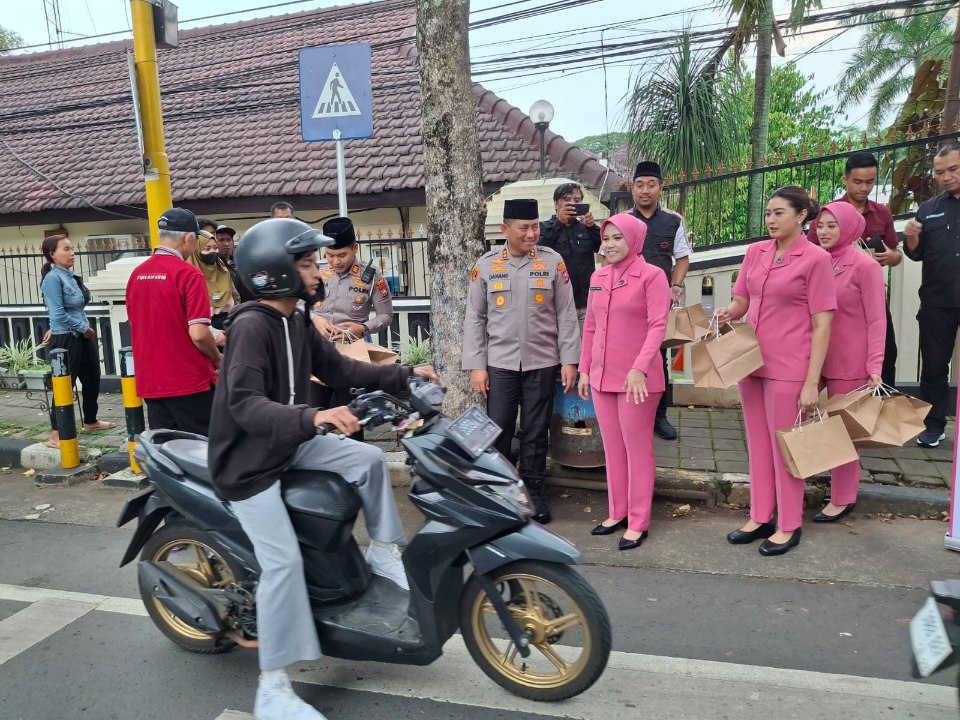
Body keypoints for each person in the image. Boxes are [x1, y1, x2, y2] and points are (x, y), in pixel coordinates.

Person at [207, 217, 438, 720]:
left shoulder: (295, 321)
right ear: (274, 272)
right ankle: (272, 688)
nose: (318, 272)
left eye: (316, 263)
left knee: (368, 459)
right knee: (283, 564)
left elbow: (340, 370)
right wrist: (314, 415)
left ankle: (381, 551)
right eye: (308, 264)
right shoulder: (250, 327)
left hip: (289, 443)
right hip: (249, 467)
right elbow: (244, 405)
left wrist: (404, 374)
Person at [715, 186, 836, 556]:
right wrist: (728, 313)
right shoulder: (755, 252)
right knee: (757, 444)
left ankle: (788, 524)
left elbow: (823, 324)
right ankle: (760, 515)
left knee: (786, 447)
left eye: (778, 213)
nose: (770, 220)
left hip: (790, 367)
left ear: (801, 216)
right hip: (751, 361)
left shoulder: (814, 259)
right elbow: (742, 299)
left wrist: (812, 381)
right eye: (768, 213)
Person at [462, 198, 581, 524]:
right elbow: (475, 318)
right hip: (499, 364)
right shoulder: (485, 265)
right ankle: (500, 490)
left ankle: (533, 491)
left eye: (535, 227)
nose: (532, 233)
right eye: (524, 228)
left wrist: (570, 360)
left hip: (542, 362)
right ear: (505, 230)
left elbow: (565, 314)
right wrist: (477, 365)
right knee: (497, 429)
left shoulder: (552, 262)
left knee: (535, 430)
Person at [578, 213, 671, 550]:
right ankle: (616, 511)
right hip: (602, 377)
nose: (610, 244)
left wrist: (640, 367)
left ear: (633, 240)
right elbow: (590, 326)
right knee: (612, 449)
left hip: (638, 381)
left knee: (637, 450)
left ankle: (638, 520)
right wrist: (585, 369)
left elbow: (658, 325)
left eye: (618, 238)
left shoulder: (652, 275)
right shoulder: (598, 276)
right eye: (606, 238)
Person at [814, 201, 886, 522]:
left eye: (832, 225)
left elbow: (876, 320)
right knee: (797, 417)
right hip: (814, 357)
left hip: (850, 361)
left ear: (850, 227)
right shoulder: (816, 261)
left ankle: (843, 496)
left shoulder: (865, 266)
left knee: (844, 431)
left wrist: (874, 366)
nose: (824, 232)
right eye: (820, 225)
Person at [807, 152, 900, 386]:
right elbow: (807, 253)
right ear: (845, 180)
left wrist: (892, 257)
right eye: (858, 181)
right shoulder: (828, 212)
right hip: (832, 310)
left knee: (883, 361)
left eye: (870, 182)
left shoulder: (881, 213)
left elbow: (896, 253)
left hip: (865, 298)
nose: (864, 188)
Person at [126, 208, 222, 435]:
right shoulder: (189, 275)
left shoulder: (136, 275)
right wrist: (217, 358)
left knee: (166, 452)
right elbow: (198, 333)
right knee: (203, 451)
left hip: (151, 382)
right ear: (189, 238)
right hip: (189, 382)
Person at [621, 161, 693, 440]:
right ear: (633, 188)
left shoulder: (673, 220)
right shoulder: (624, 220)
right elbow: (608, 258)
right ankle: (629, 411)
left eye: (651, 184)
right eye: (640, 185)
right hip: (627, 300)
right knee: (626, 354)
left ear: (660, 187)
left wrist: (675, 285)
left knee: (658, 357)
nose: (645, 190)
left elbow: (682, 258)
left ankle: (659, 416)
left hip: (658, 303)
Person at [903, 142, 960, 448]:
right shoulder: (929, 209)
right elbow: (916, 254)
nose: (946, 177)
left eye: (953, 169)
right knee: (935, 365)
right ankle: (933, 425)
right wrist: (910, 239)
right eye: (940, 172)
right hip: (937, 302)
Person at [39, 234, 116, 447]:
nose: (71, 253)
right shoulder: (53, 279)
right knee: (65, 384)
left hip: (81, 335)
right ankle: (56, 433)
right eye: (65, 249)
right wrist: (84, 328)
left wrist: (83, 330)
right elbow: (57, 313)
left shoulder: (70, 276)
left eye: (72, 248)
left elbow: (68, 310)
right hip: (67, 338)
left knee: (92, 377)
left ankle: (90, 420)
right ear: (52, 254)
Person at [311, 217, 394, 342]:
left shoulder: (372, 276)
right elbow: (297, 304)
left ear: (355, 248)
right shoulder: (315, 270)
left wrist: (363, 328)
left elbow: (386, 315)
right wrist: (314, 318)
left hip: (354, 347)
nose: (336, 262)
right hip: (316, 345)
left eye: (342, 255)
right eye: (330, 255)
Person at [538, 182, 601, 326]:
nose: (572, 204)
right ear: (556, 204)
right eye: (567, 200)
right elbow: (539, 253)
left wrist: (592, 227)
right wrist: (559, 223)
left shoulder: (586, 227)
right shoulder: (544, 227)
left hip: (587, 302)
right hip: (558, 305)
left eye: (577, 201)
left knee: (588, 347)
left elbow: (602, 248)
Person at [187, 229, 240, 337]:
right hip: (205, 331)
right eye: (207, 248)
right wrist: (215, 335)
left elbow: (236, 298)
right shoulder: (190, 276)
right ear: (196, 251)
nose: (213, 251)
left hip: (229, 327)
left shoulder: (222, 269)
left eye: (215, 248)